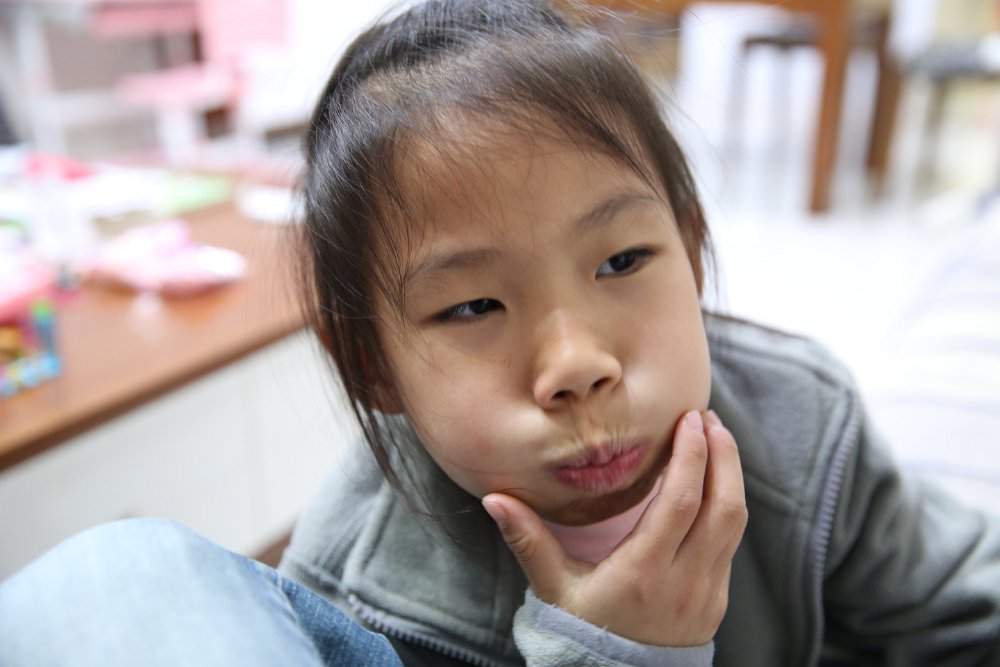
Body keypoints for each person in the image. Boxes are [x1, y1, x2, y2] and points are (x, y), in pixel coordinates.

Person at [1, 1, 999, 665]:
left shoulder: (804, 431)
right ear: (373, 365)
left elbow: (965, 616)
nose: (577, 365)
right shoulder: (354, 575)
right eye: (473, 307)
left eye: (622, 261)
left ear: (692, 256)